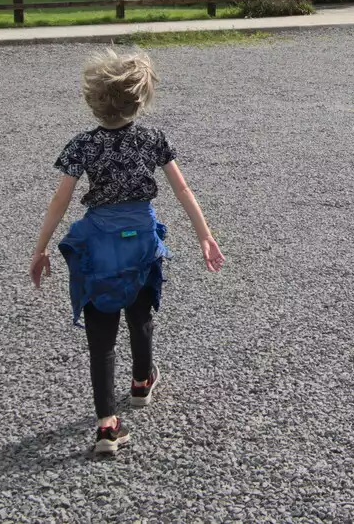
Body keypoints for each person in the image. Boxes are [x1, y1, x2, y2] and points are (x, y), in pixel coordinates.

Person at [29, 48, 225, 457]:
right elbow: (182, 190)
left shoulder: (81, 145)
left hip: (98, 245)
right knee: (140, 316)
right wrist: (204, 235)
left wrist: (41, 246)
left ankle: (106, 426)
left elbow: (60, 201)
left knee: (101, 339)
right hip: (140, 244)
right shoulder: (154, 139)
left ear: (93, 100)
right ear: (141, 98)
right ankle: (140, 382)